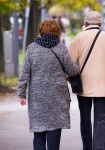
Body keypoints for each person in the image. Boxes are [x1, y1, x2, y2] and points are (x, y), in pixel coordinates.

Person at [18, 19, 79, 150]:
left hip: (37, 98)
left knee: (39, 136)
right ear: (57, 32)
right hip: (57, 97)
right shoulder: (61, 48)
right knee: (54, 134)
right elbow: (71, 70)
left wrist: (21, 94)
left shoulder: (32, 48)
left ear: (41, 31)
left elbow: (24, 74)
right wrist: (78, 65)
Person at [68, 11, 105, 150]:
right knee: (101, 121)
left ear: (85, 23)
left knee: (85, 121)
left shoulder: (78, 38)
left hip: (83, 89)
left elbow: (69, 65)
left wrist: (71, 80)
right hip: (103, 89)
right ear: (101, 24)